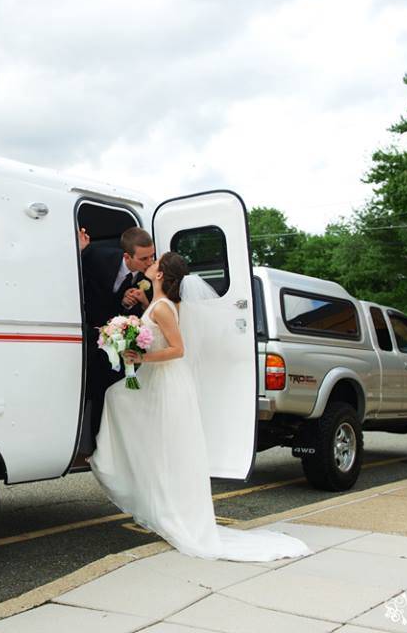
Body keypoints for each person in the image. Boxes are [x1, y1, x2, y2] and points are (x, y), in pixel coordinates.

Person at [89, 252, 311, 561]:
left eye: (156, 262)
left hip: (166, 380)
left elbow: (178, 349)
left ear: (161, 275)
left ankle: (142, 488)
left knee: (133, 413)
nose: (151, 263)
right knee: (125, 405)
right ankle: (150, 493)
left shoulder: (164, 307)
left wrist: (141, 358)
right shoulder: (158, 303)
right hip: (156, 377)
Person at [78, 226, 155, 455]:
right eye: (143, 258)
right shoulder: (99, 256)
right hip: (88, 334)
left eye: (151, 255)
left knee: (110, 392)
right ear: (126, 256)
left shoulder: (148, 276)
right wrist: (81, 249)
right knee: (88, 390)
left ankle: (105, 446)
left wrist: (130, 302)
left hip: (118, 345)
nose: (149, 261)